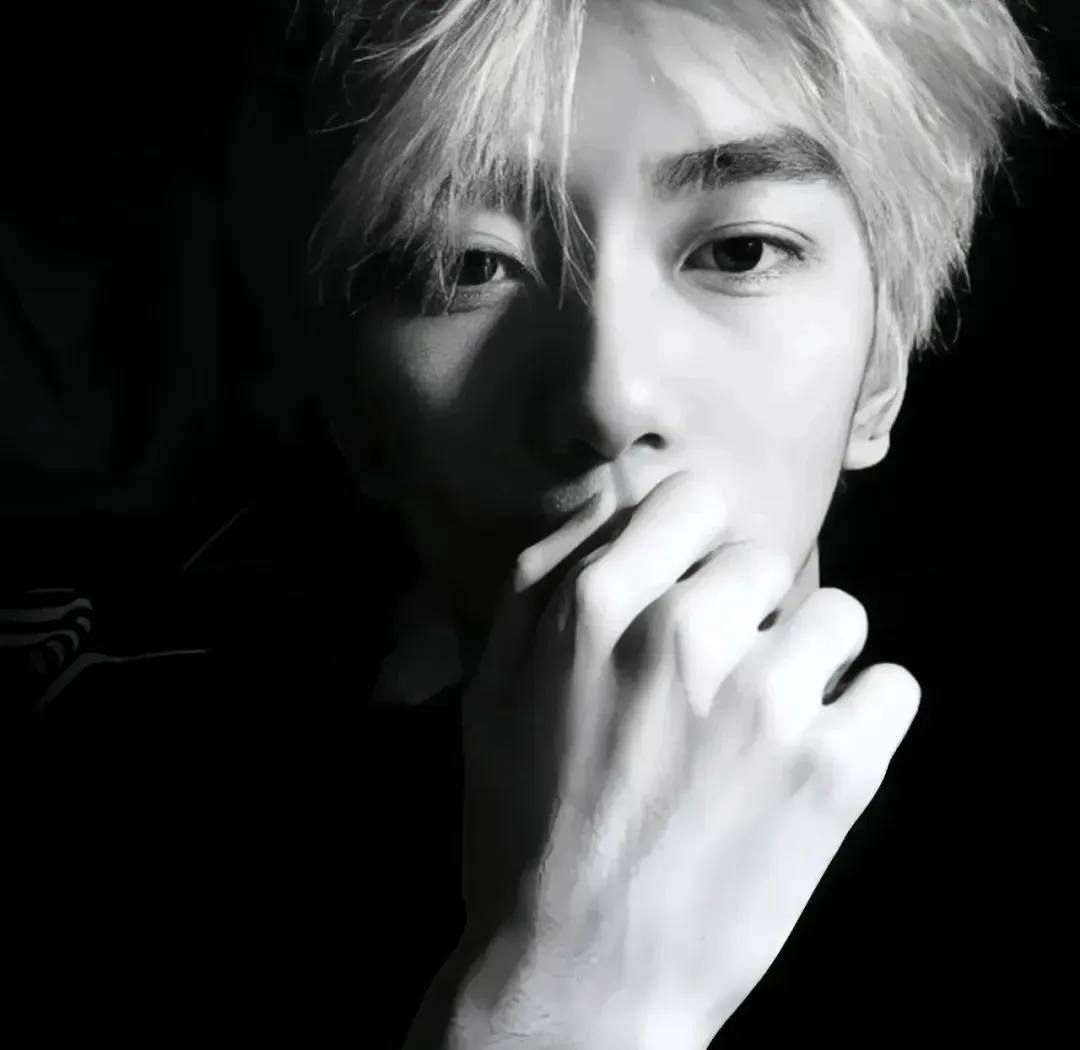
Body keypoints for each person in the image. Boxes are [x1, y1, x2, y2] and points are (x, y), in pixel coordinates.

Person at [6, 1, 1061, 1046]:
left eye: (741, 252)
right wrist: (562, 999)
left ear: (878, 375)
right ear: (356, 417)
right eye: (466, 266)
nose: (610, 395)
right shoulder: (123, 807)